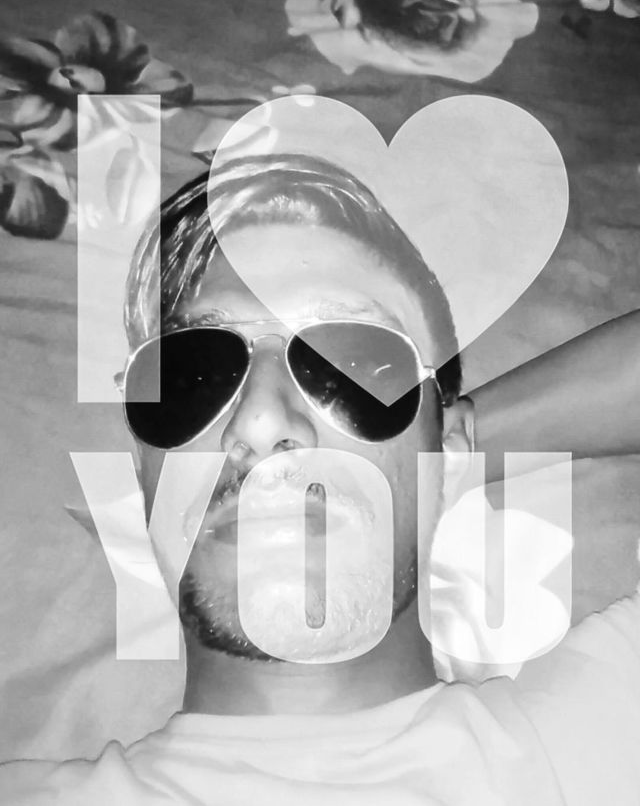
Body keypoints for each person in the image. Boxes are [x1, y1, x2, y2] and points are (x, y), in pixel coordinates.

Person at [1, 154, 639, 805]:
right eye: (192, 376)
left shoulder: (608, 734)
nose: (259, 420)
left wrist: (429, 460)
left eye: (349, 368)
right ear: (144, 469)